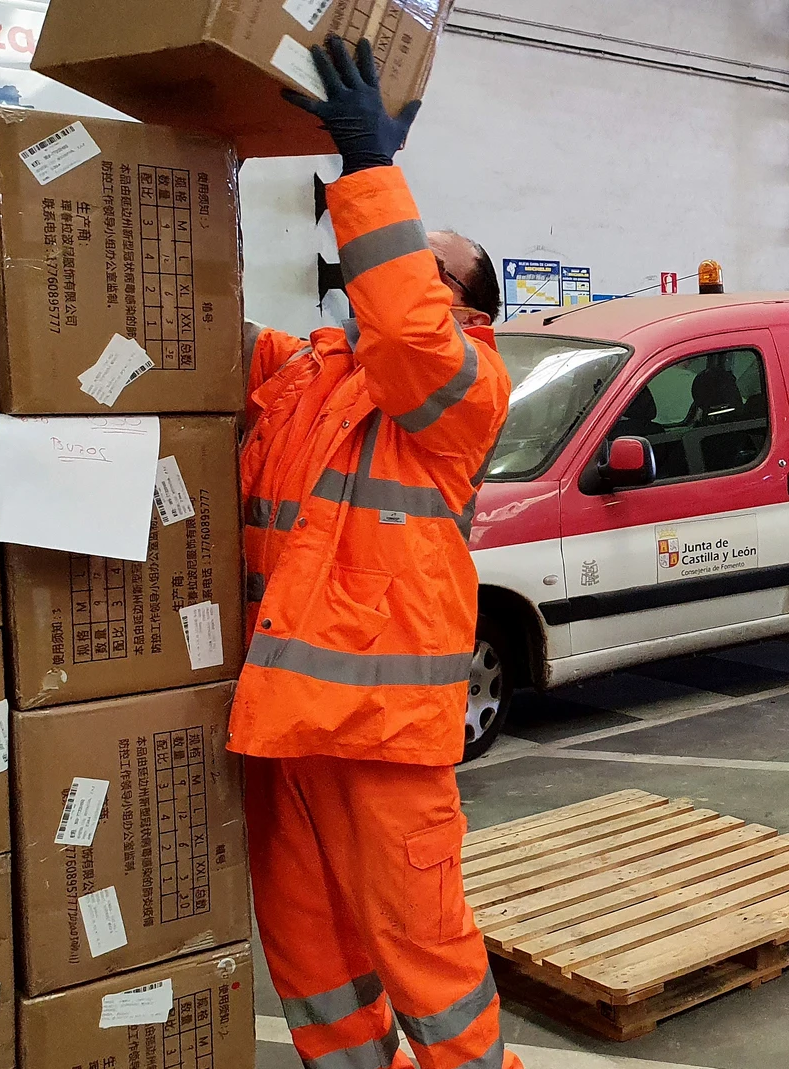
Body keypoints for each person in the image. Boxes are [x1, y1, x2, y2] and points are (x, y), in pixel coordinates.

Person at [234, 36, 521, 1069]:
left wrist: (367, 170)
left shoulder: (462, 384)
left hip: (383, 736)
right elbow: (195, 336)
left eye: (420, 259)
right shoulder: (311, 369)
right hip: (287, 727)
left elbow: (406, 332)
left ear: (468, 303)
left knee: (426, 956)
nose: (384, 267)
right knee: (312, 957)